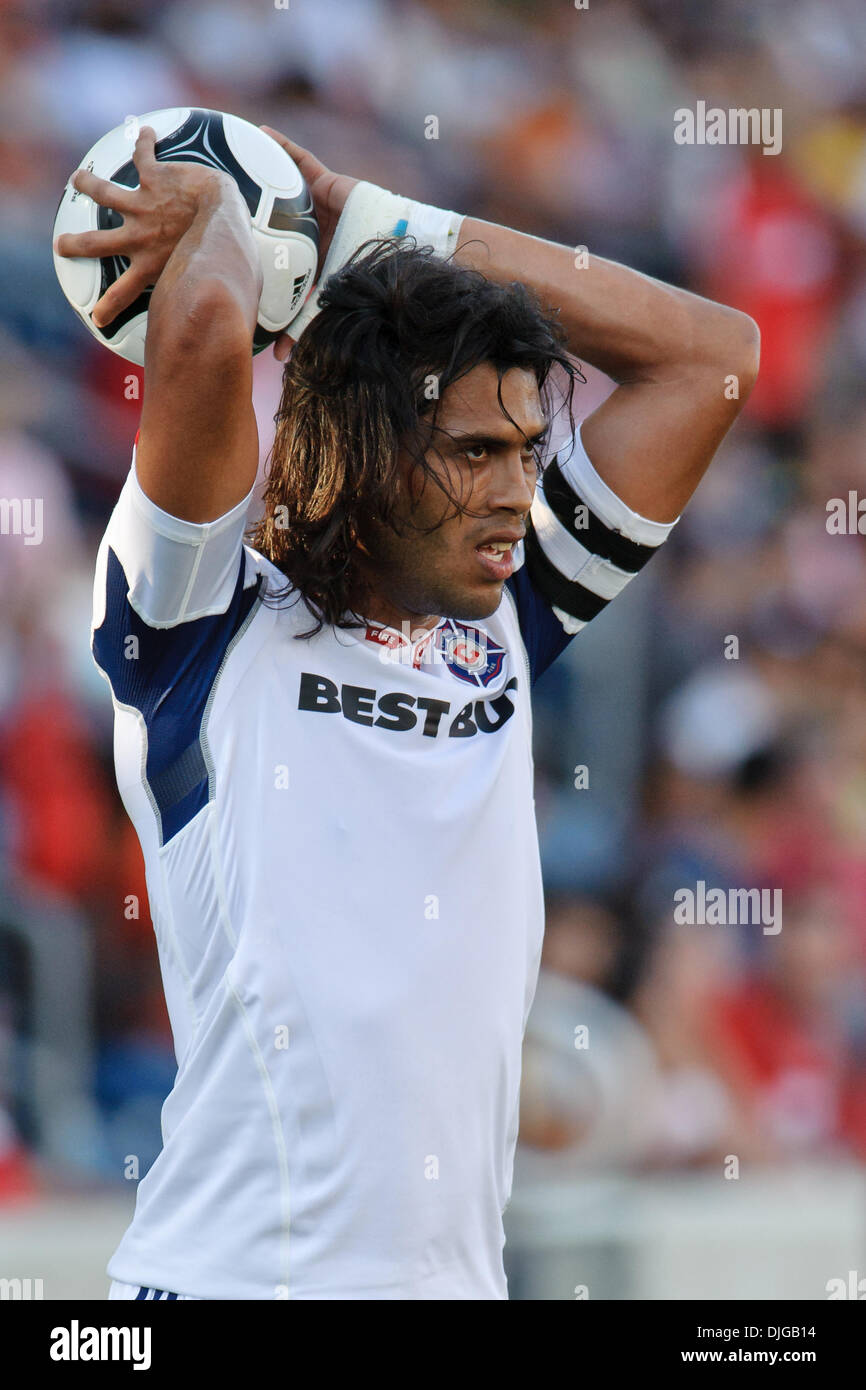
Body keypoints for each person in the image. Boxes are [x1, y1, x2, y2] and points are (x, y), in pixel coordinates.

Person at [55, 123, 759, 1300]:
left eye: (530, 451)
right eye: (472, 451)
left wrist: (371, 223)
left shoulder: (502, 622)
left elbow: (712, 356)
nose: (514, 492)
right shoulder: (194, 631)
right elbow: (200, 329)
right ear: (356, 452)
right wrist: (230, 221)